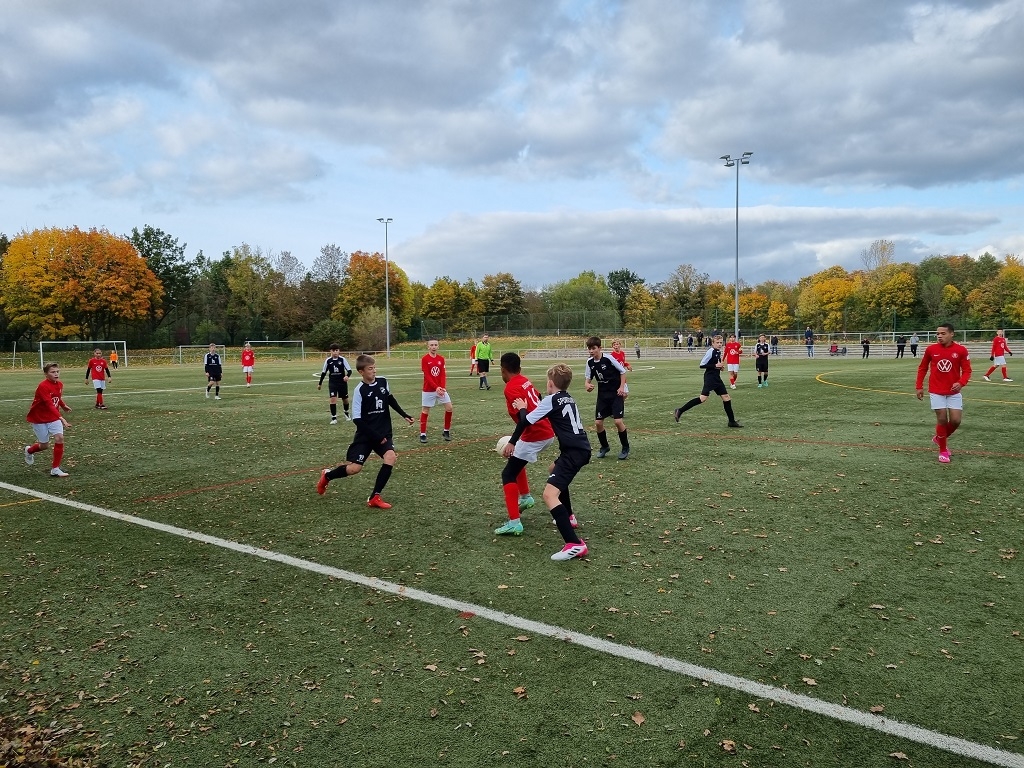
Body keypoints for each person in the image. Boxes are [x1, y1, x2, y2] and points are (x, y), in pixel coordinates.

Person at [509, 363, 591, 561]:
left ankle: (574, 544)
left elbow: (525, 421)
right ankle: (569, 516)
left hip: (573, 453)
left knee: (549, 495)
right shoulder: (568, 397)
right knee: (553, 468)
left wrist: (522, 408)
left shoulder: (551, 400)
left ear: (551, 383)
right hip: (579, 448)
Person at [317, 354, 415, 507]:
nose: (374, 371)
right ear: (361, 372)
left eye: (374, 368)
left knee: (390, 457)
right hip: (366, 435)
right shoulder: (359, 390)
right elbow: (357, 419)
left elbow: (389, 399)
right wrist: (376, 436)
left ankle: (375, 497)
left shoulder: (383, 381)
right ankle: (327, 476)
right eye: (370, 369)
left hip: (383, 432)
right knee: (354, 469)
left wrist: (404, 415)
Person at [494, 353, 556, 536]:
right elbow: (538, 396)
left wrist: (512, 442)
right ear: (519, 368)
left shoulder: (510, 388)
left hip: (536, 434)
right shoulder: (524, 380)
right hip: (546, 430)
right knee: (515, 460)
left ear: (503, 370)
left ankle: (514, 523)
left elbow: (524, 419)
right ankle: (526, 498)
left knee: (508, 474)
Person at [916, 323, 971, 464]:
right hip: (936, 390)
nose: (939, 336)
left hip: (953, 391)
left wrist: (961, 383)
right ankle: (943, 450)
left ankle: (939, 438)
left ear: (952, 334)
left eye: (943, 333)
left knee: (956, 421)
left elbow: (967, 371)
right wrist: (919, 386)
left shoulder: (961, 350)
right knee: (941, 419)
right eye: (938, 334)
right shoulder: (931, 349)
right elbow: (922, 368)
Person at [673, 334, 742, 428]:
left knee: (726, 397)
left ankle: (731, 421)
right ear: (712, 343)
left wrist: (720, 367)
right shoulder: (711, 351)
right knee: (703, 398)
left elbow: (715, 364)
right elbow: (702, 365)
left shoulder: (717, 351)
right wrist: (715, 366)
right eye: (717, 342)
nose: (719, 344)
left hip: (716, 378)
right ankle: (680, 410)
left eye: (721, 342)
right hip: (710, 378)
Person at [584, 336, 630, 460]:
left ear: (599, 348)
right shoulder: (589, 362)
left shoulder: (608, 358)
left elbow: (622, 371)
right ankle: (604, 447)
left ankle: (625, 447)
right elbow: (587, 379)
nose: (591, 351)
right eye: (589, 349)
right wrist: (587, 385)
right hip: (603, 395)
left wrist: (621, 387)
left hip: (615, 394)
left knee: (618, 421)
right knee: (598, 423)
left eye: (593, 348)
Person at [25, 362, 72, 477]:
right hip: (39, 418)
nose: (56, 374)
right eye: (53, 372)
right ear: (46, 374)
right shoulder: (43, 386)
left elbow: (57, 398)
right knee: (44, 446)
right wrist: (61, 418)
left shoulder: (59, 384)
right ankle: (29, 451)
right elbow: (49, 403)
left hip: (53, 417)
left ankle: (55, 469)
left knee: (59, 438)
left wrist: (63, 405)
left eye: (57, 371)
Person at [420, 337, 453, 443]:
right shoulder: (425, 359)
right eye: (431, 345)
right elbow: (427, 375)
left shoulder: (441, 359)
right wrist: (436, 387)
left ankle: (446, 431)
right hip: (428, 389)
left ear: (438, 346)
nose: (434, 347)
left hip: (440, 389)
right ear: (428, 347)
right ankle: (423, 434)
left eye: (435, 345)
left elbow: (443, 374)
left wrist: (442, 387)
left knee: (449, 408)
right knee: (425, 410)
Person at [318, 344, 353, 423]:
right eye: (333, 350)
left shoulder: (342, 359)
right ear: (330, 351)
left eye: (336, 350)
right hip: (333, 383)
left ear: (339, 351)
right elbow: (323, 372)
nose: (335, 352)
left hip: (342, 383)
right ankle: (334, 418)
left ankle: (346, 413)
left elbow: (349, 370)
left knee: (345, 399)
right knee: (333, 399)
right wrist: (320, 383)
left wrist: (347, 376)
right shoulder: (328, 361)